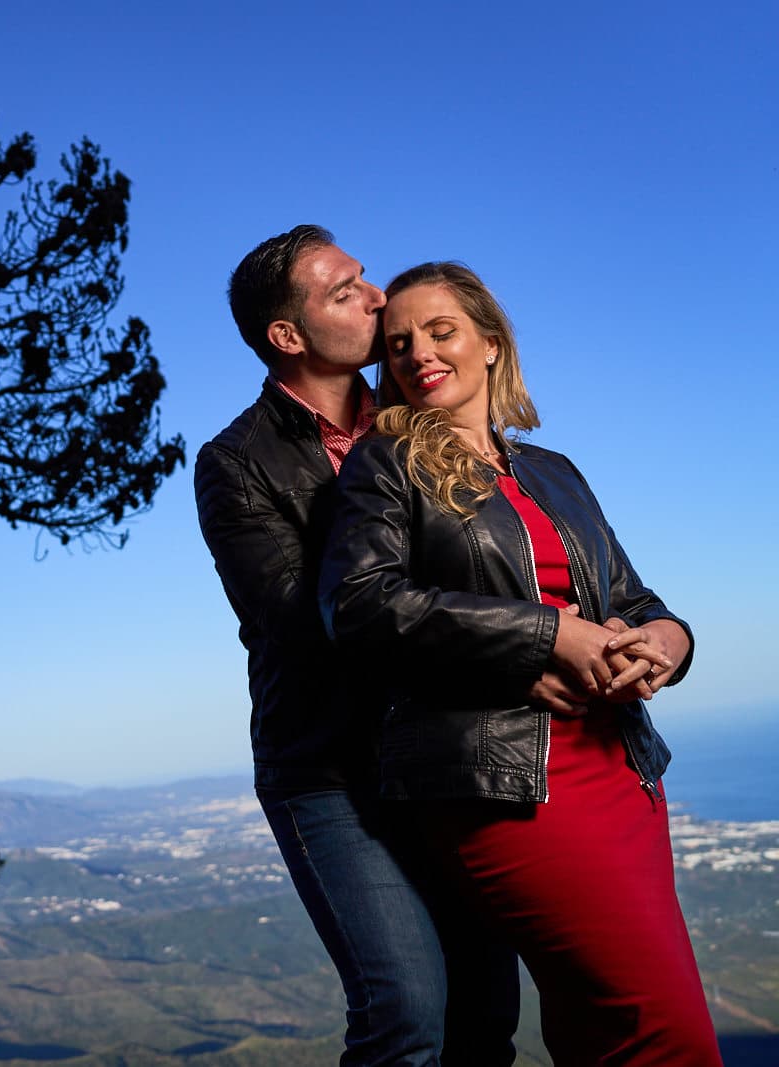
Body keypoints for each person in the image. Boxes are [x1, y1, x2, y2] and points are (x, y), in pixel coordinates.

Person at [318, 261, 721, 1065]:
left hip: (624, 767)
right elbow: (358, 604)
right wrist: (547, 635)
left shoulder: (554, 471)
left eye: (442, 332)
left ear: (492, 343)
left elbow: (637, 599)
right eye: (398, 345)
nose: (418, 354)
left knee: (592, 1023)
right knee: (663, 1027)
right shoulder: (386, 464)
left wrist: (668, 646)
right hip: (508, 782)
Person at [194, 227, 519, 1065]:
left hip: (450, 756)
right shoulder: (237, 463)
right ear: (288, 336)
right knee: (406, 1012)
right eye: (346, 291)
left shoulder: (426, 414)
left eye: (367, 279)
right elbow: (313, 621)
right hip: (332, 769)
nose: (377, 299)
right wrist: (518, 648)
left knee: (486, 1016)